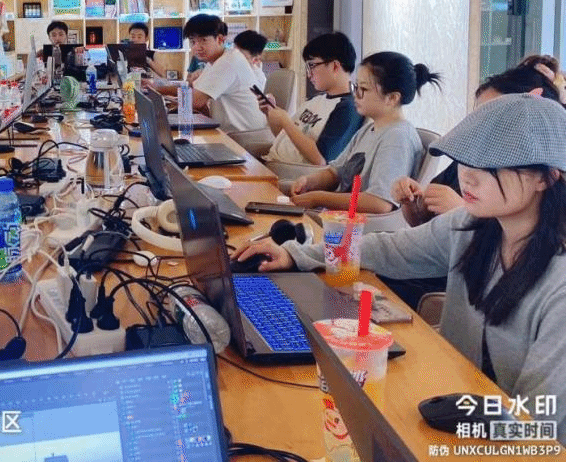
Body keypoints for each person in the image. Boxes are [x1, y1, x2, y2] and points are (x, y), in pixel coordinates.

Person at [237, 94, 566, 427]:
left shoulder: (559, 283)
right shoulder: (471, 226)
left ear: (546, 177)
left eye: (491, 166)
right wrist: (296, 254)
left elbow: (536, 421)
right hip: (451, 399)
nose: (468, 176)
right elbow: (391, 248)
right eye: (466, 160)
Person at [392, 64, 562, 227]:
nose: (481, 125)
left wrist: (463, 212)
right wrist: (413, 204)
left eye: (494, 117)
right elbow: (422, 224)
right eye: (478, 116)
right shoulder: (466, 159)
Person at [289, 51, 441, 214]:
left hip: (357, 226)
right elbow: (335, 173)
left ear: (392, 98)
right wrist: (308, 182)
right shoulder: (369, 129)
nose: (356, 94)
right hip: (337, 218)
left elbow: (379, 203)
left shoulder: (397, 138)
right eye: (356, 87)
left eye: (363, 89)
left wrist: (318, 198)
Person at [261, 32, 362, 167]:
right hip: (272, 163)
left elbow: (320, 160)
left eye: (312, 66)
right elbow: (286, 138)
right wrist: (270, 114)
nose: (309, 74)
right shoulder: (317, 99)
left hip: (288, 173)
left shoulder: (348, 108)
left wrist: (286, 121)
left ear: (335, 66)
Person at [153, 14, 262, 133]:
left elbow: (195, 101)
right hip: (230, 131)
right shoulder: (215, 61)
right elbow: (192, 89)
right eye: (192, 42)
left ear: (220, 39)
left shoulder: (228, 62)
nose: (197, 47)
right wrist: (157, 89)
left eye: (203, 40)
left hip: (246, 136)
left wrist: (160, 93)